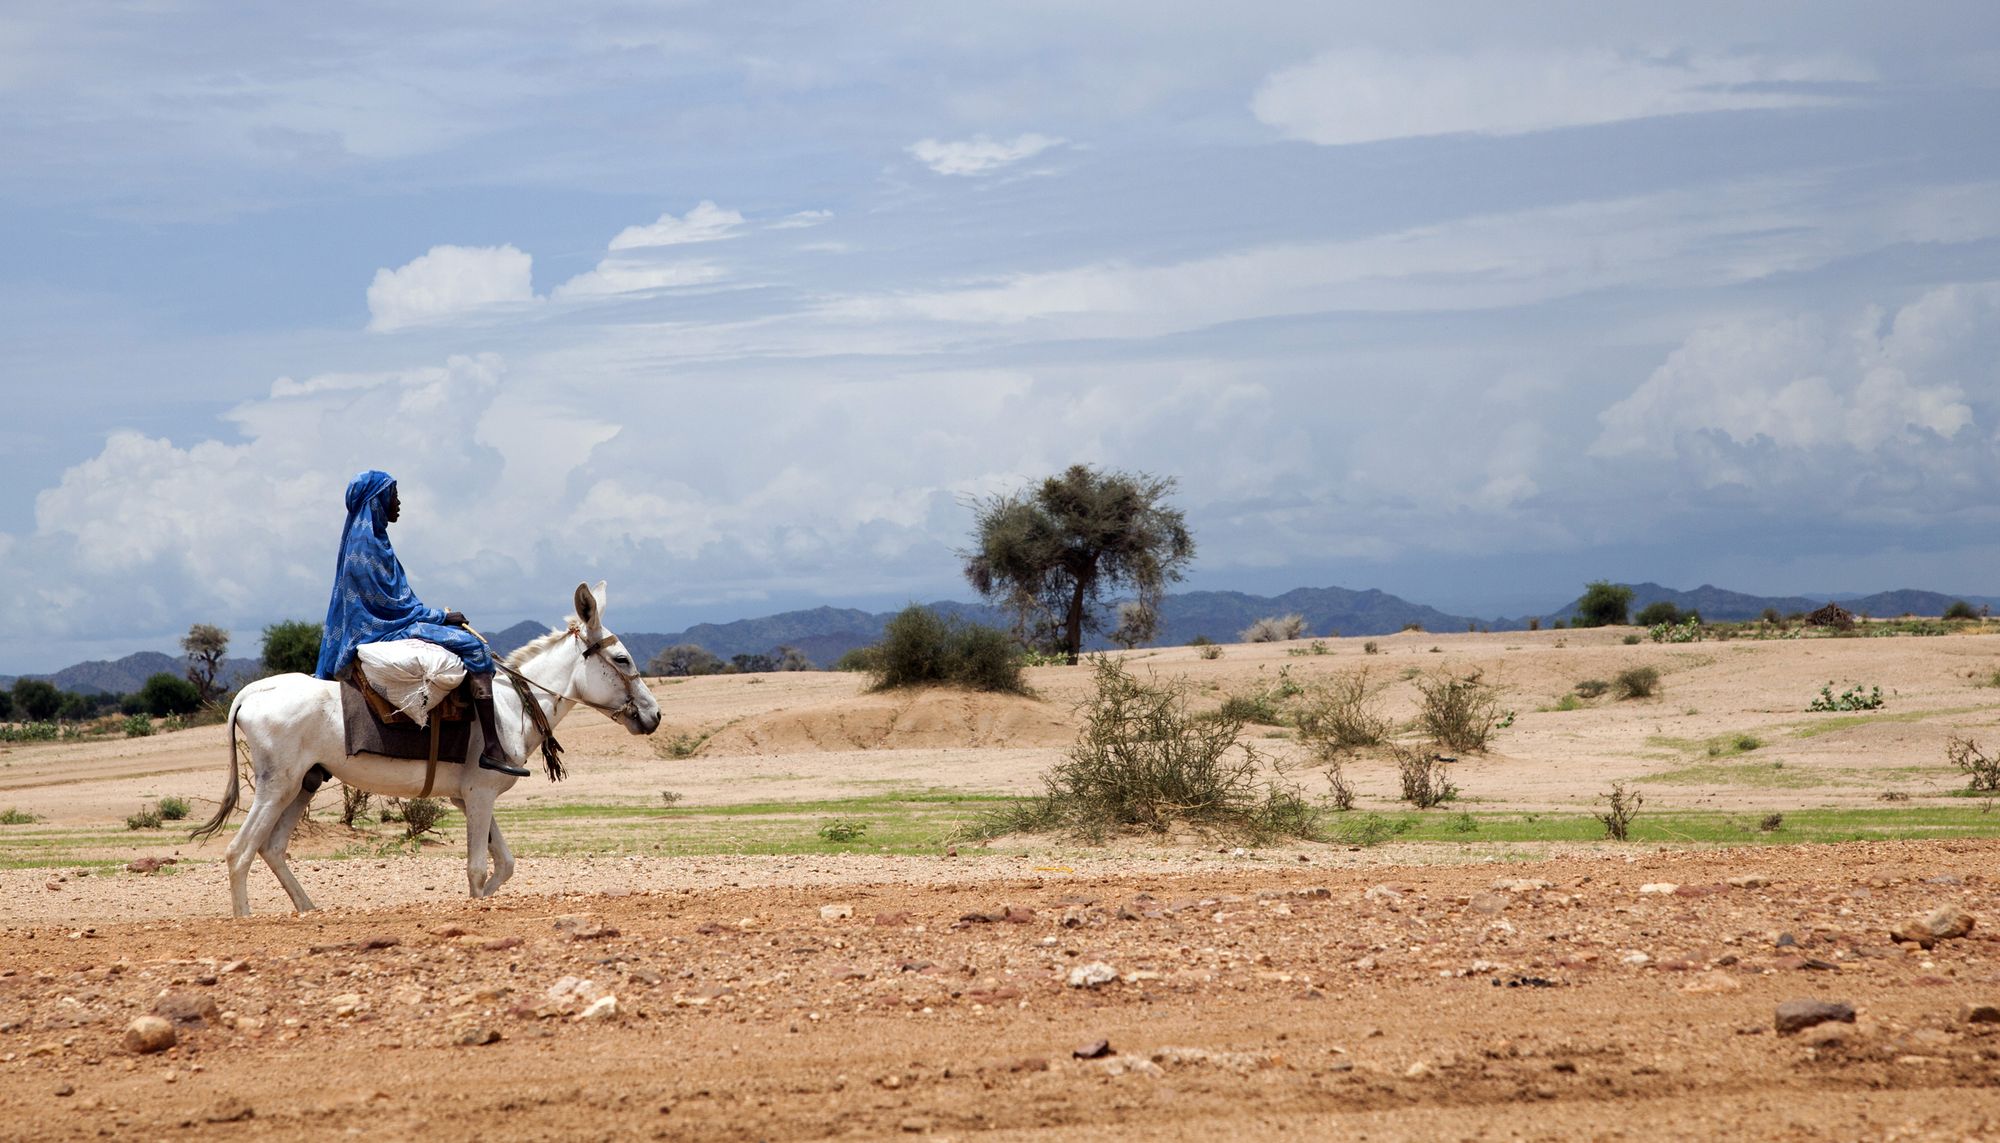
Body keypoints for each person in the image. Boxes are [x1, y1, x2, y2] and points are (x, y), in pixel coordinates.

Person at [313, 470, 527, 777]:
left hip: (385, 623)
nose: (398, 502)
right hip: (382, 629)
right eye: (393, 495)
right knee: (474, 647)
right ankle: (491, 748)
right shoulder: (367, 546)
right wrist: (442, 617)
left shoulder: (370, 540)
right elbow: (391, 605)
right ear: (377, 500)